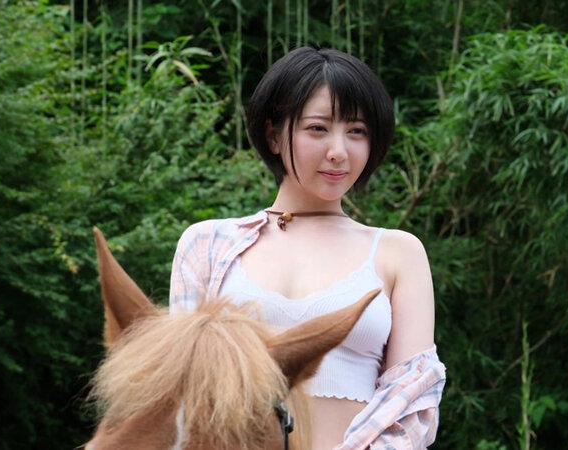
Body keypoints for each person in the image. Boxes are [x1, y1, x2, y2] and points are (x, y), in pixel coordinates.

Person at [169, 47, 445, 449]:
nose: (339, 150)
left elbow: (414, 405)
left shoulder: (398, 253)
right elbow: (183, 388)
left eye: (357, 131)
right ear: (273, 135)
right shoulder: (207, 245)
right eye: (318, 128)